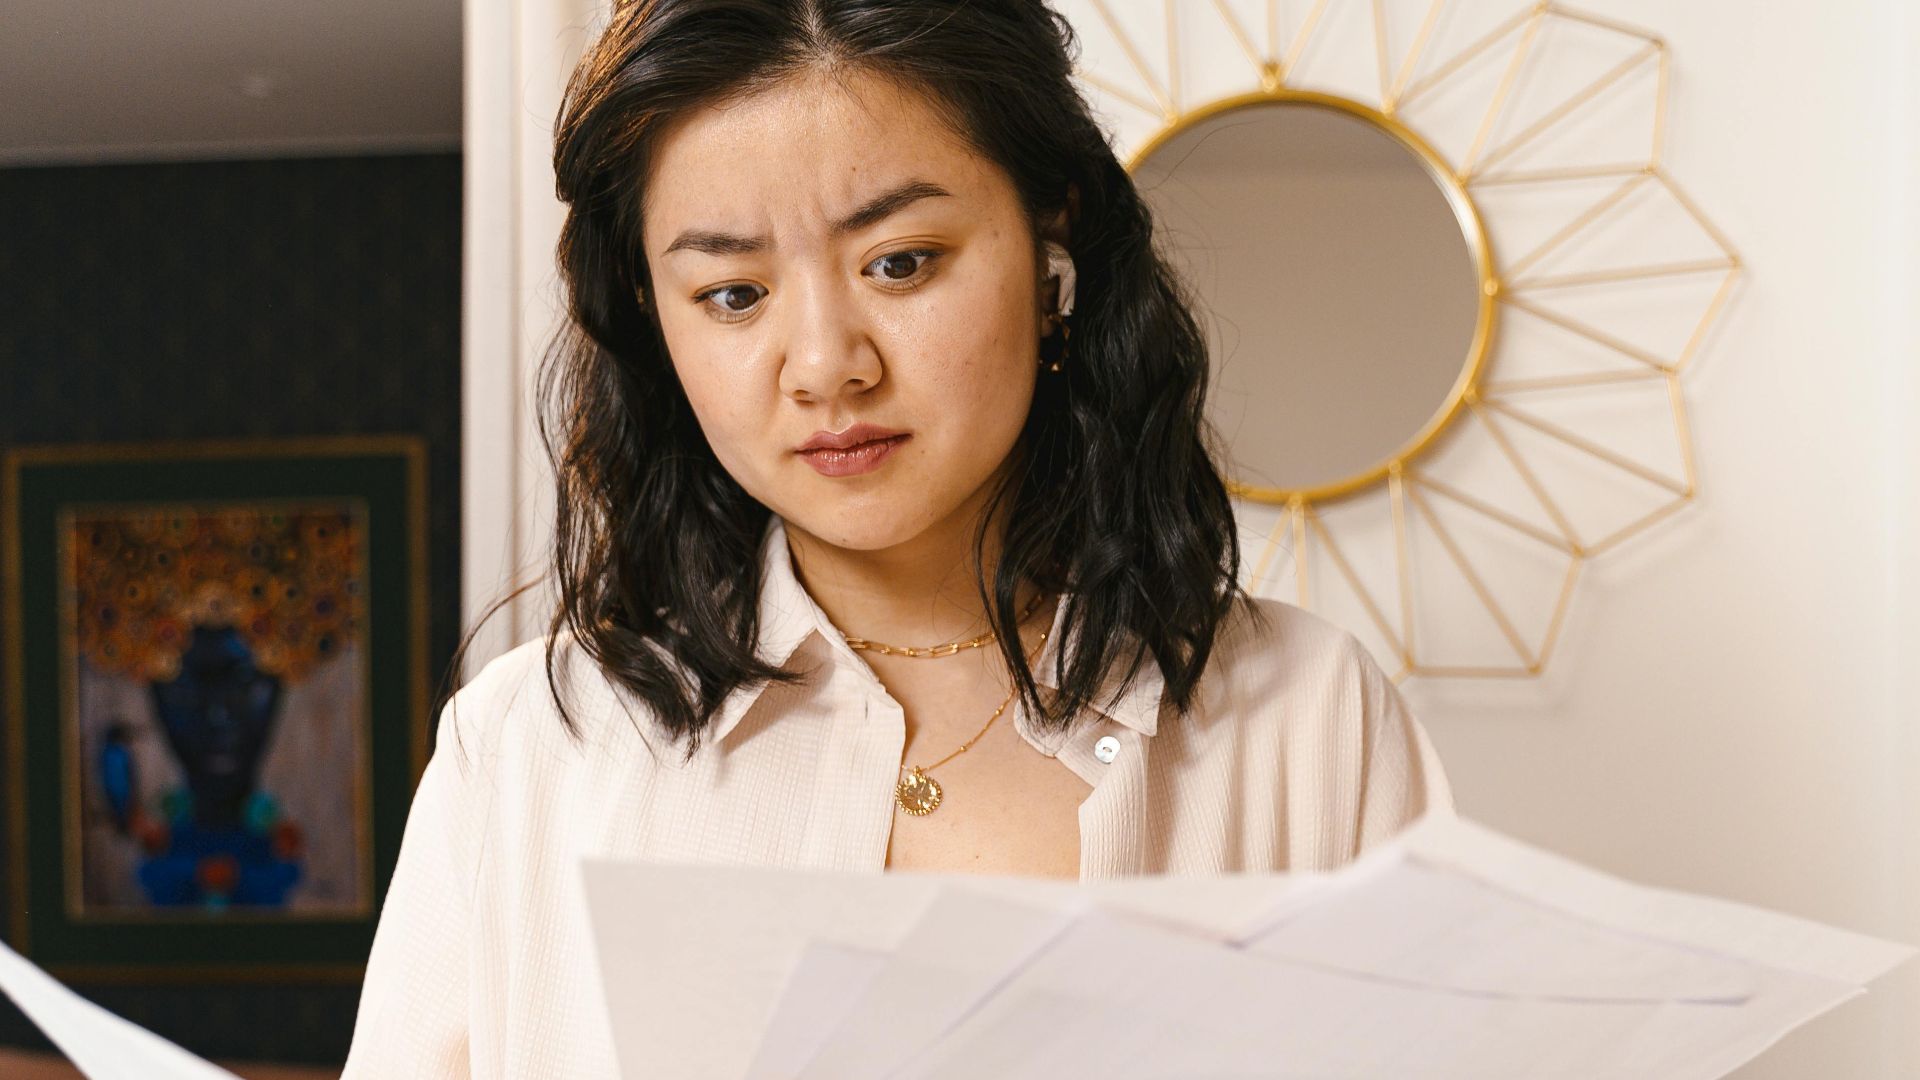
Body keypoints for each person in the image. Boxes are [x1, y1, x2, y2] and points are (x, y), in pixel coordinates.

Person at [342, 0, 1452, 1075]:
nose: (826, 363)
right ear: (653, 321)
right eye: (732, 294)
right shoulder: (531, 752)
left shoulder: (1311, 722)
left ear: (1051, 249)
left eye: (901, 263)